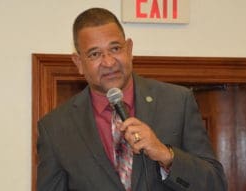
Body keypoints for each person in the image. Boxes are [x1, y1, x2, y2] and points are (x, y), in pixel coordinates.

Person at [37, 7, 227, 191]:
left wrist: (166, 154)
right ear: (79, 63)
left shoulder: (177, 102)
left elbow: (216, 184)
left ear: (129, 49)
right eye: (95, 54)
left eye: (115, 48)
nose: (109, 62)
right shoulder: (55, 128)